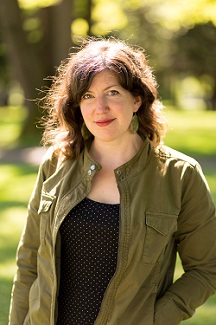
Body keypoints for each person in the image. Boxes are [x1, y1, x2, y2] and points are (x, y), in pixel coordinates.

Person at [9, 37, 216, 325]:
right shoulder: (57, 163)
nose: (100, 108)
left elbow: (207, 268)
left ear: (137, 99)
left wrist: (153, 319)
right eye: (88, 96)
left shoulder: (180, 175)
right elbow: (29, 262)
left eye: (113, 92)